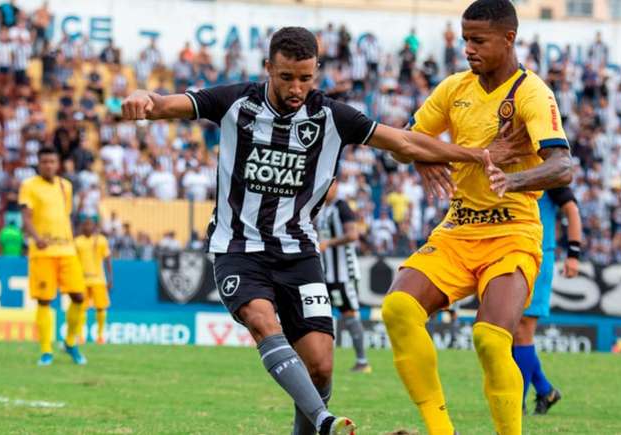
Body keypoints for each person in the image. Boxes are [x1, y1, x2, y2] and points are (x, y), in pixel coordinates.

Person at [120, 26, 528, 435]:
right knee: (263, 321)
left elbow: (405, 143)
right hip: (239, 247)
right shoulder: (234, 101)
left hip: (299, 253)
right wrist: (145, 99)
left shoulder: (334, 117)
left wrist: (477, 156)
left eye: (305, 78)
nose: (297, 88)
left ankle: (314, 423)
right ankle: (324, 421)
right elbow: (165, 104)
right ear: (268, 69)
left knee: (320, 365)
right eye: (286, 78)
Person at [381, 1, 573, 434]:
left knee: (489, 338)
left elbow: (563, 166)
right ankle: (440, 429)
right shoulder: (454, 89)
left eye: (478, 40)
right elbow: (402, 142)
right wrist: (419, 157)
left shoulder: (532, 93)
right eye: (465, 38)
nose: (468, 48)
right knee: (397, 309)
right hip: (459, 229)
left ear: (509, 39)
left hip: (512, 232)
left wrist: (515, 181)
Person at [513, 187, 582, 415]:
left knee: (523, 330)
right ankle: (545, 390)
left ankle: (517, 403)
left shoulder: (547, 169)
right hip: (509, 253)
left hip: (538, 255)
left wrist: (573, 254)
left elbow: (571, 209)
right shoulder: (510, 166)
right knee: (509, 332)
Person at [19, 147, 87, 365]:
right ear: (39, 163)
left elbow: (65, 216)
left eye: (52, 161)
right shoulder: (29, 185)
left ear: (58, 164)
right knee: (45, 300)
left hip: (67, 249)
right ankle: (46, 350)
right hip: (43, 252)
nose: (48, 165)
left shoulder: (65, 186)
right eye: (44, 161)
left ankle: (69, 342)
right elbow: (26, 218)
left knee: (79, 296)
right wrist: (36, 237)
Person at [317, 180, 370, 373]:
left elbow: (353, 235)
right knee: (320, 315)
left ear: (336, 185)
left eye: (328, 185)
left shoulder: (342, 207)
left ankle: (362, 362)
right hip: (326, 272)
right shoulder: (324, 209)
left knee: (348, 314)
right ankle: (319, 358)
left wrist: (328, 243)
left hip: (343, 274)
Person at [74, 215, 113, 344]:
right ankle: (80, 336)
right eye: (85, 224)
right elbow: (73, 262)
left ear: (95, 226)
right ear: (81, 227)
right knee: (81, 308)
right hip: (82, 280)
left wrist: (110, 278)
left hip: (99, 280)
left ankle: (100, 336)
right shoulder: (77, 242)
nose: (87, 227)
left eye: (90, 224)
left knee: (101, 308)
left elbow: (107, 259)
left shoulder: (101, 240)